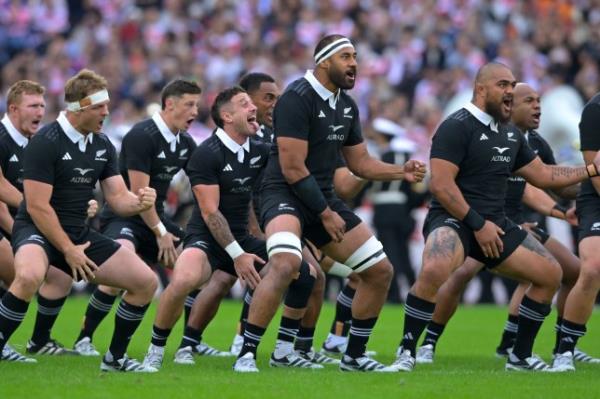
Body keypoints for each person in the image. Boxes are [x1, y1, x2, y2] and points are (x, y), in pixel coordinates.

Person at [232, 34, 426, 373]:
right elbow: (292, 168)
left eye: (355, 57)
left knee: (380, 272)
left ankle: (352, 355)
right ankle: (247, 353)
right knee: (286, 264)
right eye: (347, 57)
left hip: (322, 197)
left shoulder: (346, 105)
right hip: (282, 194)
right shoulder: (296, 96)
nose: (354, 64)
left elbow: (361, 163)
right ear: (324, 62)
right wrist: (325, 214)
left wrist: (401, 170)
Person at [390, 63, 600, 373]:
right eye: (503, 84)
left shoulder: (512, 134)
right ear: (481, 89)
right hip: (454, 220)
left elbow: (543, 175)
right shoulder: (456, 125)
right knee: (436, 269)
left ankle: (519, 356)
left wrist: (592, 169)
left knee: (550, 274)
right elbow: (441, 186)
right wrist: (478, 224)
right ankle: (408, 350)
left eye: (512, 85)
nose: (510, 91)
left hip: (497, 224)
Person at [141, 87, 317, 371]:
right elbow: (210, 213)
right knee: (185, 279)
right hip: (205, 239)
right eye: (244, 104)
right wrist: (237, 254)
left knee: (306, 273)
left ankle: (273, 353)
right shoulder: (206, 154)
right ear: (227, 116)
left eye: (251, 103)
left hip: (242, 239)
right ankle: (156, 349)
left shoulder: (260, 151)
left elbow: (283, 180)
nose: (253, 108)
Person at [0, 69, 159, 372]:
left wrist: (139, 202)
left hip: (76, 233)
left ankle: (115, 359)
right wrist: (68, 249)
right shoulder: (46, 141)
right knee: (29, 276)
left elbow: (117, 198)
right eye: (100, 106)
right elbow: (36, 207)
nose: (106, 112)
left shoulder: (102, 144)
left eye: (107, 105)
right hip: (36, 229)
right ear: (79, 108)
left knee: (145, 282)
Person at [72, 78, 200, 356]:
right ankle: (85, 339)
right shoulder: (142, 135)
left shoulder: (186, 143)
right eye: (190, 104)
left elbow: (203, 186)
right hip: (124, 216)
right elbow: (140, 194)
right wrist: (160, 232)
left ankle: (188, 345)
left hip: (157, 218)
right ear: (170, 104)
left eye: (197, 104)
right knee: (121, 270)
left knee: (193, 270)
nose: (196, 111)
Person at [0, 80, 96, 360]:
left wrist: (79, 205)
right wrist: (28, 225)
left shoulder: (35, 142)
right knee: (23, 275)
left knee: (61, 274)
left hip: (21, 222)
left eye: (43, 105)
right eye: (33, 105)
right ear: (14, 109)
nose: (40, 111)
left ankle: (39, 341)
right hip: (13, 223)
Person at [552, 88, 600, 372]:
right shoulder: (596, 109)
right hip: (596, 198)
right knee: (593, 268)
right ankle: (564, 350)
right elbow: (596, 177)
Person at [368, 117, 426, 303]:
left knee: (389, 253)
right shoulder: (407, 160)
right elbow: (415, 194)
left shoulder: (381, 158)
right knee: (403, 253)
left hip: (383, 212)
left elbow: (369, 186)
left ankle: (393, 295)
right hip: (402, 213)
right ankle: (414, 291)